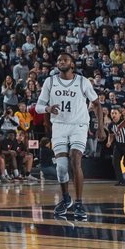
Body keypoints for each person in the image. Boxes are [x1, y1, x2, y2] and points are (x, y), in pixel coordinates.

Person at [37, 52, 99, 220]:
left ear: (72, 64)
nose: (61, 61)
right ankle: (66, 199)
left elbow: (97, 103)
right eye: (58, 59)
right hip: (59, 126)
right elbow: (38, 107)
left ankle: (79, 203)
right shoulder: (49, 82)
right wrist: (48, 109)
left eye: (64, 59)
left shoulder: (82, 81)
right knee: (62, 167)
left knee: (75, 158)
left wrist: (100, 127)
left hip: (79, 125)